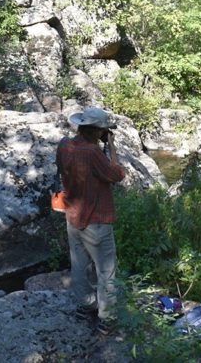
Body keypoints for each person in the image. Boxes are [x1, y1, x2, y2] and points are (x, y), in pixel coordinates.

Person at [56, 106, 126, 335]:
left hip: (72, 216)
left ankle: (85, 306)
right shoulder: (92, 152)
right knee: (106, 271)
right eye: (104, 131)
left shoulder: (65, 145)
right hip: (96, 220)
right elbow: (117, 174)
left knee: (79, 265)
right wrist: (111, 146)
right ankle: (107, 318)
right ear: (98, 131)